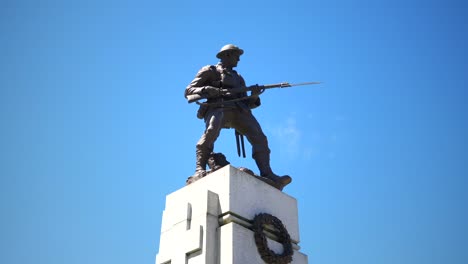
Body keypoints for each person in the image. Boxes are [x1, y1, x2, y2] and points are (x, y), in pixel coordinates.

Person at [184, 44, 291, 190]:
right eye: (236, 55)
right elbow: (189, 91)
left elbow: (247, 103)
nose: (239, 59)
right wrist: (207, 89)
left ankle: (268, 173)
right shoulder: (210, 71)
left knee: (259, 137)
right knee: (211, 131)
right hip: (219, 107)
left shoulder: (238, 77)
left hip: (239, 111)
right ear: (227, 55)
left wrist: (254, 95)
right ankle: (199, 169)